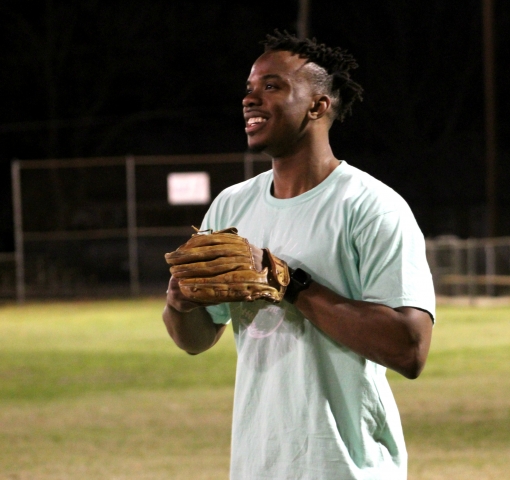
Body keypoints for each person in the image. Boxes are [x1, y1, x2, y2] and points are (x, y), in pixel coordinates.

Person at [162, 31, 435, 480]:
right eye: (249, 88)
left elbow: (410, 348)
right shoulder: (232, 207)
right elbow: (194, 339)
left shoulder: (370, 206)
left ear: (318, 105)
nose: (251, 99)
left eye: (272, 86)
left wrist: (290, 283)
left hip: (347, 465)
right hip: (258, 464)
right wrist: (180, 304)